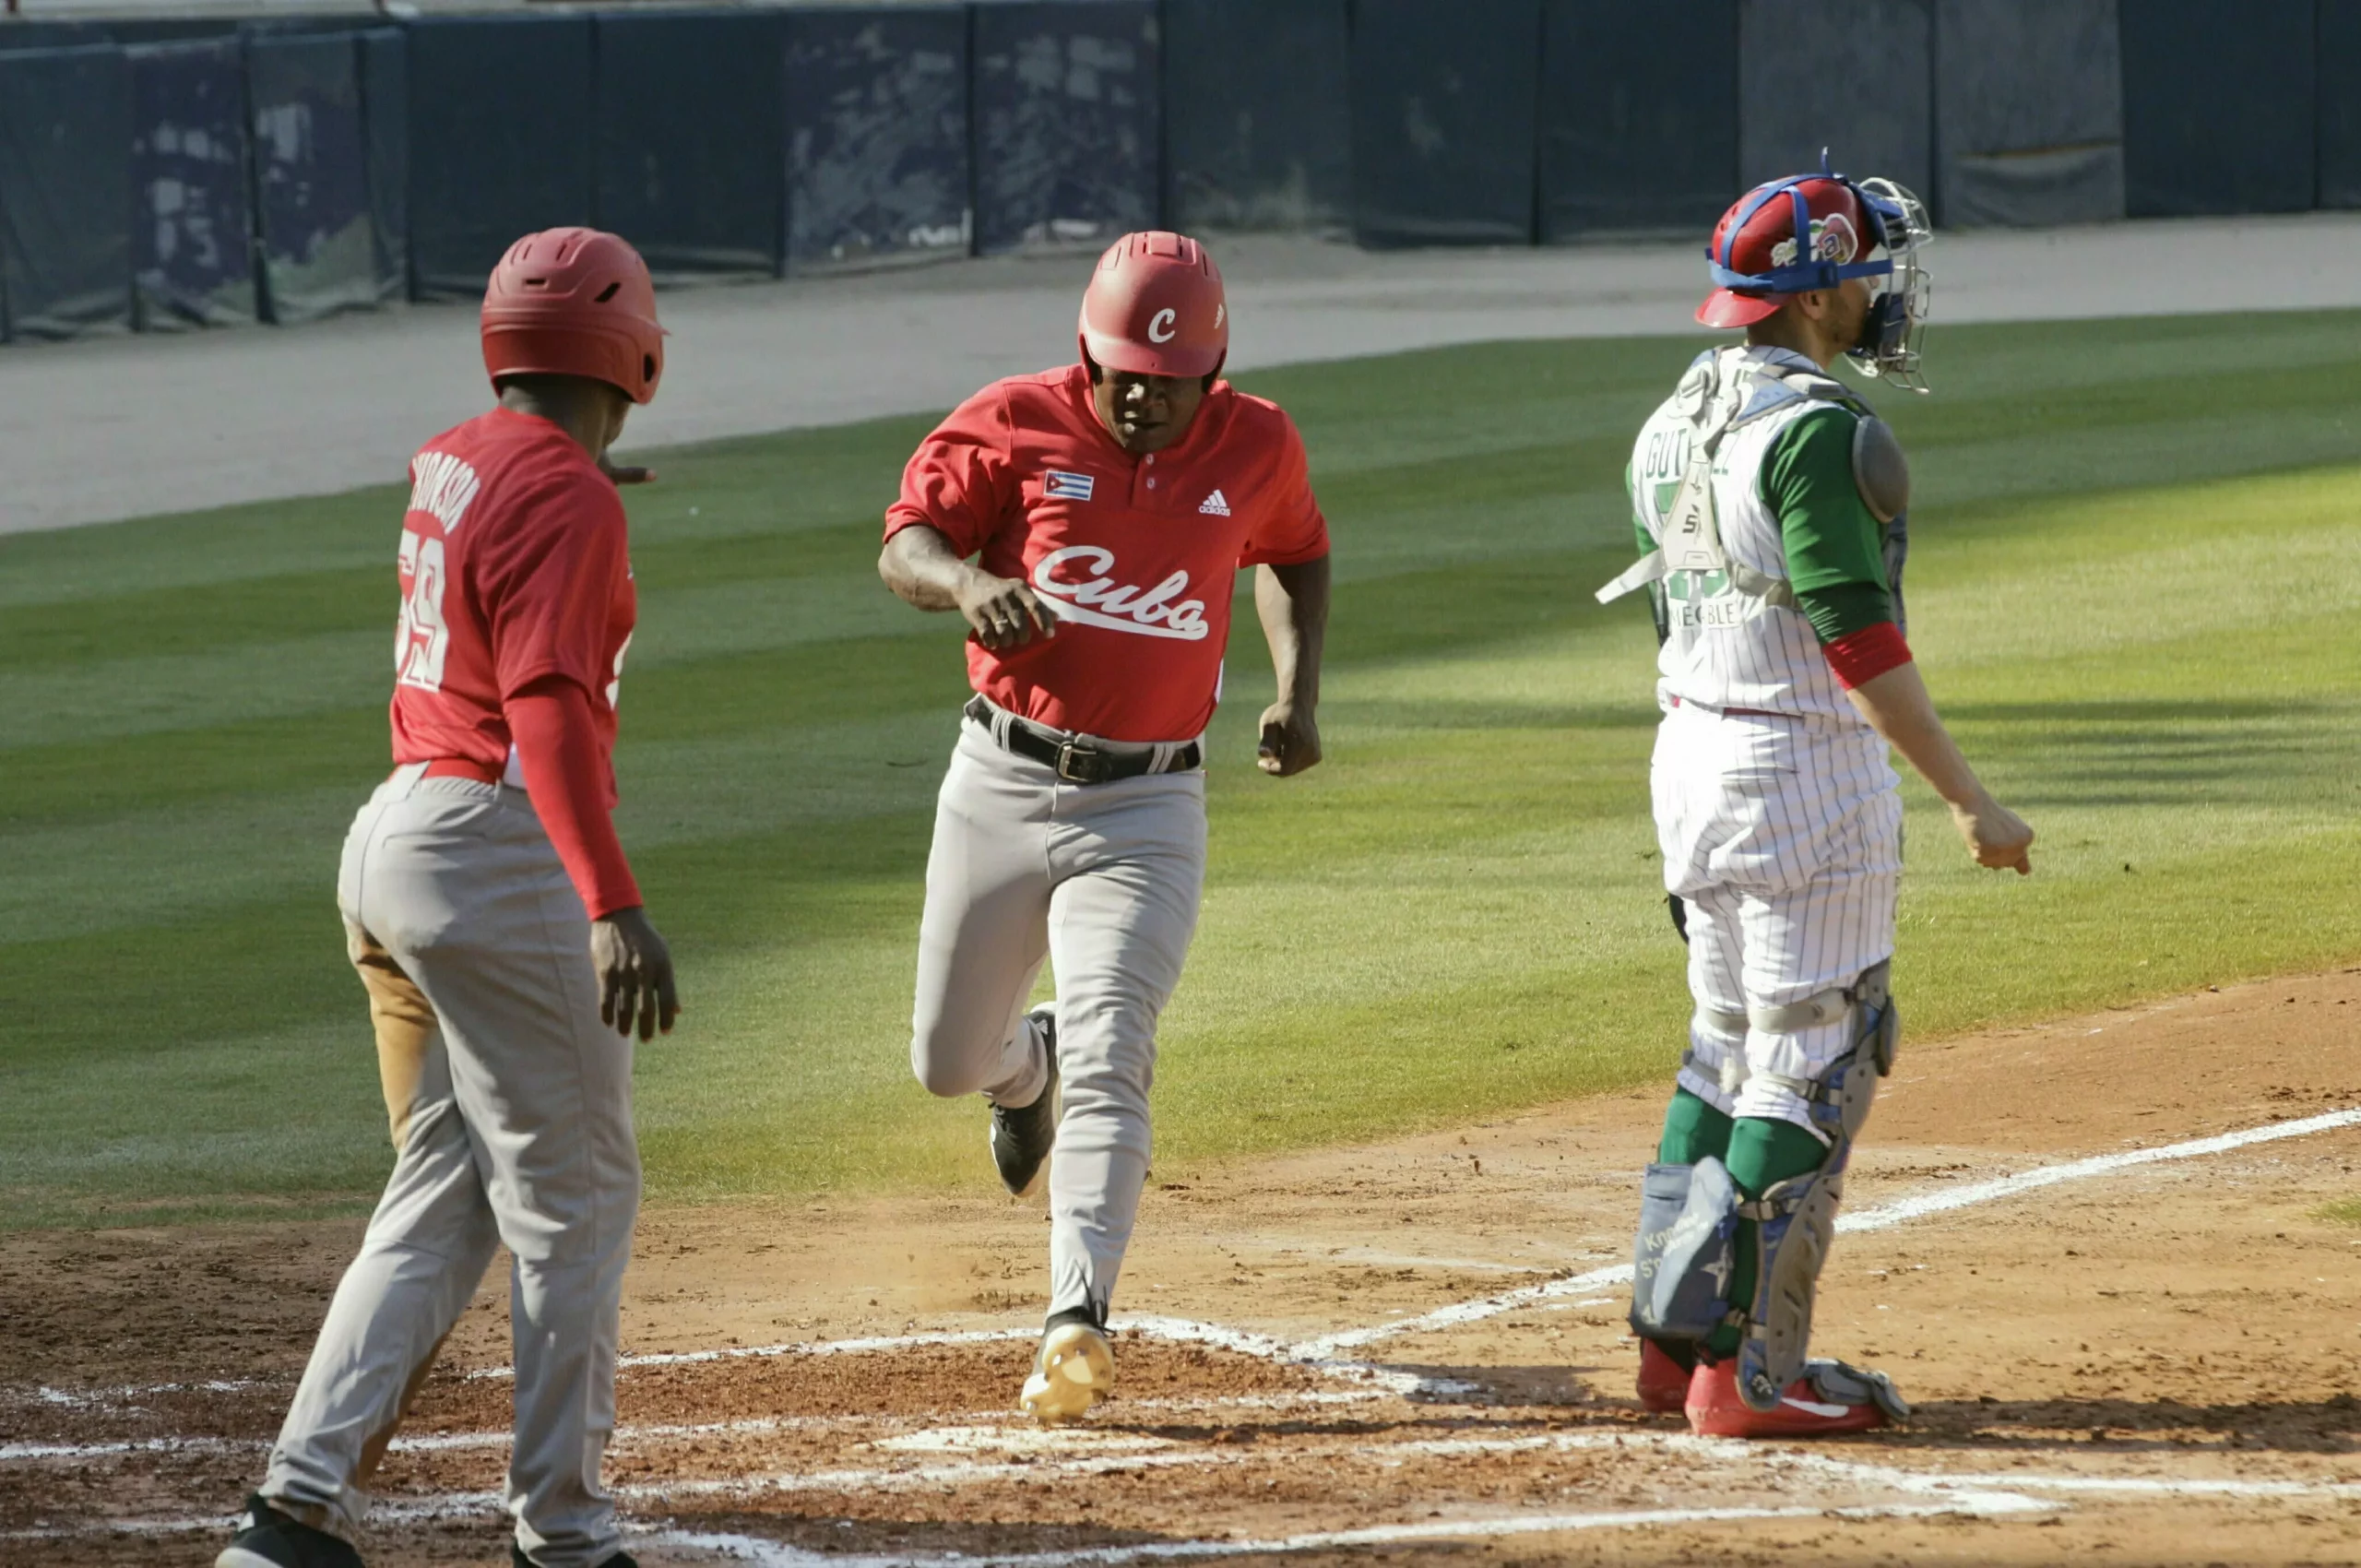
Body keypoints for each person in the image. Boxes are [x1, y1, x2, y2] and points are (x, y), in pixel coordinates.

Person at [217, 227, 679, 1568]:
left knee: (447, 1188)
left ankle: (291, 1513)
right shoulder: (572, 498)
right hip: (494, 850)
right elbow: (541, 707)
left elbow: (505, 554)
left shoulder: (460, 455)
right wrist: (611, 899)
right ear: (632, 347)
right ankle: (565, 1536)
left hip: (394, 838)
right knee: (576, 1201)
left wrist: (578, 489)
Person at [1596, 162, 2034, 1438]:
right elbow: (1858, 639)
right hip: (1800, 774)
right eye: (1863, 269)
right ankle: (1750, 1377)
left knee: (1722, 1051)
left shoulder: (1671, 419)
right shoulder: (1818, 433)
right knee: (1816, 1059)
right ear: (1815, 292)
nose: (1878, 291)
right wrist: (1970, 800)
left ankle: (1673, 1349)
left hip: (1692, 758)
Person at [879, 230, 1330, 1422]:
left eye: (1168, 379)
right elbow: (906, 543)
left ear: (1213, 370)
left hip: (1147, 804)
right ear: (1089, 349)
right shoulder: (1013, 420)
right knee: (943, 1061)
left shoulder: (1258, 442)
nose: (1142, 394)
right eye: (1123, 369)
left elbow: (1294, 552)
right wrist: (970, 585)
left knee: (1118, 1037)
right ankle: (1026, 1068)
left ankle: (1076, 1316)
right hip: (999, 781)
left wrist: (1297, 691)